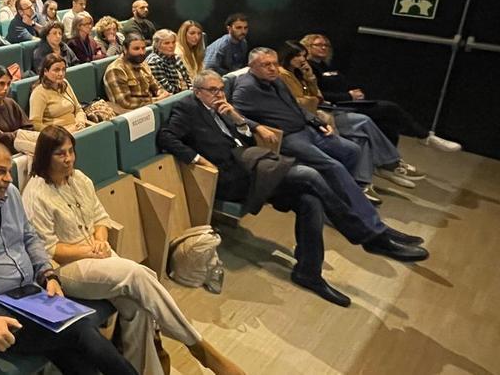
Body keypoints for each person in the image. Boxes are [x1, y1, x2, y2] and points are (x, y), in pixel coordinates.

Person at [159, 70, 430, 305]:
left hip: (255, 167)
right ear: (197, 91)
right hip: (230, 178)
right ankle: (369, 237)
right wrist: (197, 159)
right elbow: (167, 136)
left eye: (220, 89)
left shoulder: (225, 108)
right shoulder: (188, 108)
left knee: (309, 200)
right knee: (310, 176)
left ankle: (308, 273)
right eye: (212, 91)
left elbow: (242, 136)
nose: (219, 94)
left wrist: (237, 119)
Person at [23, 126, 245, 375]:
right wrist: (88, 250)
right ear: (45, 157)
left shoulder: (79, 178)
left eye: (70, 151)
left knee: (138, 308)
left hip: (98, 255)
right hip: (65, 270)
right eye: (60, 154)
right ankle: (199, 347)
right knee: (138, 275)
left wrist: (99, 239)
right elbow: (48, 249)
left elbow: (101, 218)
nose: (68, 159)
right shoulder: (36, 193)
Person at [0, 141, 136, 375]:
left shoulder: (11, 195)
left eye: (9, 171)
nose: (8, 179)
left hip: (30, 295)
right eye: (0, 171)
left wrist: (48, 274)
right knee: (81, 332)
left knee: (78, 357)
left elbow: (29, 238)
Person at [278, 41, 425, 191]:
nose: (302, 60)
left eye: (303, 56)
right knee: (364, 121)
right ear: (287, 56)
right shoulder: (283, 75)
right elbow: (299, 102)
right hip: (314, 116)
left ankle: (362, 183)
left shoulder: (301, 73)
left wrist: (310, 78)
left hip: (322, 110)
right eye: (297, 56)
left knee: (363, 137)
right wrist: (314, 99)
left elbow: (318, 96)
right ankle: (390, 163)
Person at [232, 48, 377, 198]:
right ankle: (346, 201)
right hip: (288, 137)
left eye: (275, 64)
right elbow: (233, 115)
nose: (273, 69)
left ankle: (342, 193)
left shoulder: (277, 80)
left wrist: (316, 121)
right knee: (334, 165)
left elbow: (297, 106)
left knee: (352, 150)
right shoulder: (246, 87)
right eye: (266, 65)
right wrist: (258, 127)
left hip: (306, 128)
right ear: (252, 65)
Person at [300, 33, 461, 151]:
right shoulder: (308, 67)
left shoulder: (327, 66)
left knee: (388, 120)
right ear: (307, 47)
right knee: (390, 108)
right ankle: (425, 137)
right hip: (334, 106)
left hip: (347, 101)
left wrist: (352, 93)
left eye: (326, 45)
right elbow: (317, 94)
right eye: (318, 45)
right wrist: (349, 96)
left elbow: (339, 85)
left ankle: (391, 163)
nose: (323, 48)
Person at [0, 64, 40, 156]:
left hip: (22, 147)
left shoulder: (11, 103)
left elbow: (28, 126)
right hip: (3, 152)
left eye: (8, 84)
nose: (6, 88)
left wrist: (15, 134)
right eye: (1, 84)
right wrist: (17, 133)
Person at [103, 33, 169, 114]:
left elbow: (155, 85)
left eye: (143, 48)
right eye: (136, 49)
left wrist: (160, 92)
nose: (141, 52)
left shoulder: (143, 63)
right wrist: (157, 100)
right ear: (125, 49)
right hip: (133, 115)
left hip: (151, 107)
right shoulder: (116, 70)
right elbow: (125, 103)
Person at [30, 55, 91, 132]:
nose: (61, 74)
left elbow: (78, 109)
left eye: (63, 69)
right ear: (45, 71)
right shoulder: (39, 92)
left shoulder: (65, 83)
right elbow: (35, 124)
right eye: (56, 70)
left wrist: (80, 121)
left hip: (77, 127)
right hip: (58, 135)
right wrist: (60, 132)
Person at [146, 28, 192, 94]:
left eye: (173, 42)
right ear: (157, 45)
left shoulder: (176, 57)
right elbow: (167, 89)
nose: (171, 46)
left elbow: (187, 79)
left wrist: (191, 90)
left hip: (186, 93)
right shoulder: (154, 62)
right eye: (166, 43)